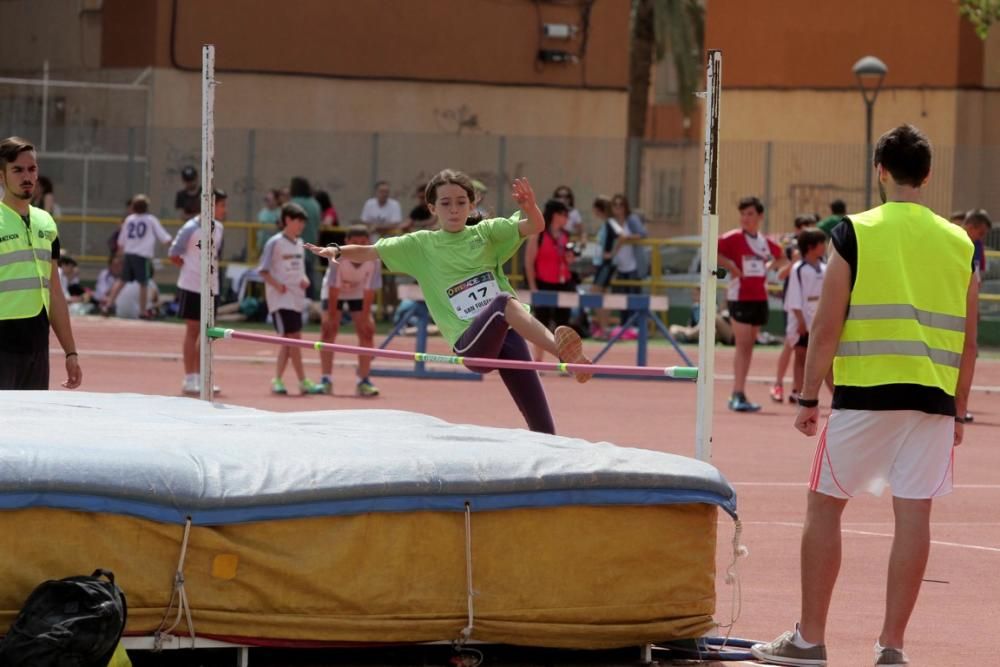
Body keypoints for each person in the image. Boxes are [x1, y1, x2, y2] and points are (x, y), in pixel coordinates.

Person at [751, 124, 978, 667]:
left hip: (865, 395)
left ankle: (810, 638)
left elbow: (827, 324)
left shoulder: (855, 231)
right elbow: (969, 340)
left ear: (880, 170)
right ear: (926, 175)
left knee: (824, 507)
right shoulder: (960, 242)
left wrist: (808, 398)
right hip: (933, 401)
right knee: (914, 517)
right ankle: (892, 646)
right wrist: (961, 407)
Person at [306, 169, 593, 434]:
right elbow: (369, 252)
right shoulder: (420, 245)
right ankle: (563, 353)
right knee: (504, 302)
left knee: (540, 418)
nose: (453, 209)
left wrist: (529, 206)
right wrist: (336, 250)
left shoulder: (486, 232)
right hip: (471, 342)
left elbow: (535, 225)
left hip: (506, 333)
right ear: (432, 208)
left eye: (460, 202)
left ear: (471, 204)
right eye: (445, 203)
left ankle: (566, 383)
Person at [0, 136, 82, 390]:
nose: (27, 176)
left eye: (32, 169)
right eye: (17, 170)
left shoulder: (46, 222)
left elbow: (54, 291)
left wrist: (71, 352)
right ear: (2, 176)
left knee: (31, 428)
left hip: (37, 346)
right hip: (2, 347)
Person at [717, 196, 787, 412]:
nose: (745, 218)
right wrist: (731, 266)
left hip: (760, 297)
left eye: (750, 214)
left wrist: (768, 266)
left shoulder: (765, 242)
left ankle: (740, 393)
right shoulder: (732, 238)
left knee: (749, 346)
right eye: (743, 214)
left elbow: (782, 257)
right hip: (739, 297)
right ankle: (737, 393)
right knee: (743, 344)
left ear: (760, 216)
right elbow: (712, 250)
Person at [258, 203, 325, 396]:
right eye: (298, 221)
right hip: (280, 300)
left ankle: (280, 379)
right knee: (293, 339)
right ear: (287, 220)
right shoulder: (275, 242)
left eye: (303, 222)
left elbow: (300, 271)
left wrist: (304, 280)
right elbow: (262, 270)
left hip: (296, 299)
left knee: (291, 341)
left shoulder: (299, 244)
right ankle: (300, 380)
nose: (301, 225)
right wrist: (277, 285)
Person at [168, 189, 227, 395]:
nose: (224, 210)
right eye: (221, 205)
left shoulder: (219, 228)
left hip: (212, 287)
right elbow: (174, 254)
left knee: (208, 333)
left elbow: (216, 256)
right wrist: (191, 269)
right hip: (192, 286)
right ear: (209, 204)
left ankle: (204, 377)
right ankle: (189, 377)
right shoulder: (190, 228)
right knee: (192, 330)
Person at [317, 224, 381, 397]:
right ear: (346, 242)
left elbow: (369, 291)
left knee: (367, 332)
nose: (359, 246)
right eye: (355, 242)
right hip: (335, 291)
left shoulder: (374, 260)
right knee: (329, 329)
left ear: (368, 243)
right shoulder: (338, 258)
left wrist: (366, 318)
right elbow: (333, 289)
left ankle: (364, 380)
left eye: (363, 242)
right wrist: (330, 316)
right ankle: (326, 379)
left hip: (358, 291)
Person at [772, 214, 818, 403]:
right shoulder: (792, 250)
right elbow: (780, 274)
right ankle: (778, 384)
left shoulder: (817, 252)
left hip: (811, 307)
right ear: (798, 229)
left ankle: (797, 389)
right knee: (790, 345)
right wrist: (794, 262)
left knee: (804, 351)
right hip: (793, 307)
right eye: (805, 227)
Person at [103, 194, 172, 318]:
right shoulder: (150, 219)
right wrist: (173, 246)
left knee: (122, 280)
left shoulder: (129, 219)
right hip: (142, 256)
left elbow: (121, 241)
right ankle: (142, 311)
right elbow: (164, 237)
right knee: (143, 283)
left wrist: (120, 253)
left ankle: (108, 305)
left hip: (129, 254)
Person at [781, 229, 829, 404]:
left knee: (823, 359)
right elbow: (794, 296)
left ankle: (830, 395)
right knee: (801, 356)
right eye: (821, 243)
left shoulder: (825, 267)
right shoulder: (799, 269)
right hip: (802, 319)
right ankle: (798, 390)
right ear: (810, 247)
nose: (824, 247)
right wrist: (800, 321)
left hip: (818, 319)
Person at [524, 198, 576, 361]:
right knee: (541, 324)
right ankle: (538, 361)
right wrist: (533, 287)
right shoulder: (538, 235)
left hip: (563, 284)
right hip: (543, 284)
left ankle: (565, 360)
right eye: (564, 214)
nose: (567, 218)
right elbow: (529, 262)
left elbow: (568, 262)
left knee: (564, 325)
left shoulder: (566, 235)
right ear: (555, 215)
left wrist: (570, 258)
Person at [589, 195, 629, 339]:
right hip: (602, 263)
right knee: (602, 295)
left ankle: (604, 328)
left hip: (606, 264)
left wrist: (611, 253)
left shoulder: (611, 222)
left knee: (596, 294)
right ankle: (604, 328)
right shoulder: (607, 223)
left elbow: (622, 236)